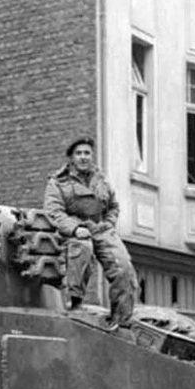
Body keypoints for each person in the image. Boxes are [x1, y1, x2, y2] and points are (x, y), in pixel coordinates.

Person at [43, 136, 138, 328]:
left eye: (87, 153)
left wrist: (109, 224)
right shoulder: (58, 182)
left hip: (100, 228)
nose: (83, 157)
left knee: (124, 267)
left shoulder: (100, 179)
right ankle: (74, 303)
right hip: (73, 230)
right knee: (82, 249)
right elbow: (54, 212)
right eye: (79, 153)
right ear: (71, 158)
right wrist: (75, 229)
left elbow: (113, 206)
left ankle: (121, 319)